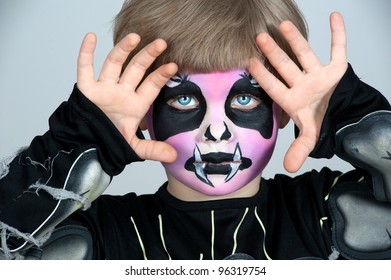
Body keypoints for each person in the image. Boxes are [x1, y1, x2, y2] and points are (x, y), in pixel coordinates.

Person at [1, 0, 391, 260]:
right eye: (183, 100)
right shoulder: (102, 235)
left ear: (284, 107)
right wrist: (79, 140)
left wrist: (359, 119)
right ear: (143, 114)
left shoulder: (325, 213)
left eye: (244, 99)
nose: (216, 130)